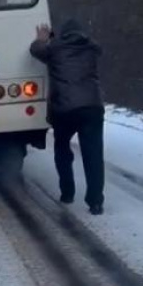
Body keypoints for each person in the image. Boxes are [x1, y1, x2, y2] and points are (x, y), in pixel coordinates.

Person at [29, 20, 106, 215]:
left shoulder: (55, 48)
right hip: (92, 107)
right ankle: (95, 202)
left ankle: (67, 193)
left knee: (62, 149)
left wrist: (42, 39)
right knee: (94, 155)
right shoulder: (91, 48)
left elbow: (36, 50)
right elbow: (98, 48)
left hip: (65, 109)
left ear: (62, 34)